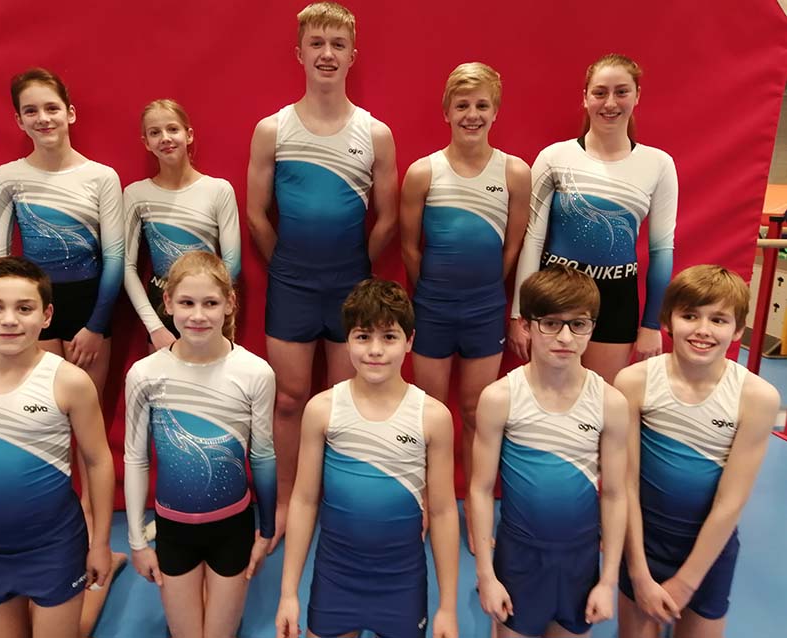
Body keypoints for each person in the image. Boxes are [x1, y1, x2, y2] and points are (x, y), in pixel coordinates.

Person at [247, 1, 399, 546]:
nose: (327, 54)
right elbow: (256, 215)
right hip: (291, 283)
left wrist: (354, 266)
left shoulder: (375, 133)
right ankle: (288, 498)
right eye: (317, 43)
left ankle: (336, 497)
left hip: (350, 284)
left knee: (341, 400)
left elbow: (388, 219)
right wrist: (288, 263)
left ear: (353, 55)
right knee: (289, 399)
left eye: (338, 44)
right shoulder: (273, 129)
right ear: (300, 53)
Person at [0, 67, 126, 633]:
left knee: (89, 431)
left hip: (91, 311)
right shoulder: (9, 177)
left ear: (70, 112)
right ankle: (53, 540)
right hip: (33, 312)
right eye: (30, 111)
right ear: (18, 120)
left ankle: (95, 544)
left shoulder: (101, 177)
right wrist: (11, 319)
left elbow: (115, 259)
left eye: (51, 107)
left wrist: (95, 325)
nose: (43, 118)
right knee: (43, 429)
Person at [0, 256, 115, 638]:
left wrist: (99, 543)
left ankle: (106, 572)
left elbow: (98, 460)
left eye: (24, 308)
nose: (9, 320)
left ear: (46, 315)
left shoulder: (69, 382)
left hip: (55, 546)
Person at [275, 279, 459, 638]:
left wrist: (448, 608)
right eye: (363, 336)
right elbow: (304, 500)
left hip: (402, 582)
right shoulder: (322, 410)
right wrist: (288, 593)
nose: (375, 350)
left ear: (409, 341)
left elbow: (442, 512)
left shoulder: (432, 417)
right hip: (335, 577)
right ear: (347, 341)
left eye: (389, 337)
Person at [400, 62, 530, 553]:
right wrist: (434, 291)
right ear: (446, 112)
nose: (472, 114)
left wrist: (483, 291)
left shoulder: (514, 172)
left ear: (496, 112)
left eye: (481, 105)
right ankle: (428, 502)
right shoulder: (423, 173)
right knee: (430, 412)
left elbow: (512, 248)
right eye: (462, 105)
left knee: (477, 411)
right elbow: (410, 248)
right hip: (433, 306)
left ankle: (476, 512)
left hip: (484, 308)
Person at [614, 265, 779, 638]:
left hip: (710, 551)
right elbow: (625, 484)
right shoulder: (635, 382)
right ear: (667, 321)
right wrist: (638, 573)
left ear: (738, 330)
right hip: (643, 545)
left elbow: (730, 502)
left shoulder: (756, 398)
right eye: (690, 316)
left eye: (718, 320)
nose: (703, 329)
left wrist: (687, 582)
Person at [124, 251, 276, 638]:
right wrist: (137, 542)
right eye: (187, 303)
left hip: (233, 527)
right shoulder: (145, 374)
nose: (198, 315)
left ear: (230, 304)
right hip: (173, 529)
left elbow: (262, 456)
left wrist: (266, 531)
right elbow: (136, 459)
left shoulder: (255, 373)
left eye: (210, 303)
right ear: (168, 303)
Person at [471, 265, 628, 637]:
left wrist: (607, 581)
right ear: (526, 325)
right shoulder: (500, 398)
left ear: (592, 328)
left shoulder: (610, 403)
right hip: (519, 557)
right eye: (551, 323)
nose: (565, 337)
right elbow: (480, 489)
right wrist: (487, 575)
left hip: (580, 560)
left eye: (578, 324)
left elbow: (616, 494)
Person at [510, 53, 678, 383]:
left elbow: (662, 250)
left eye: (621, 92)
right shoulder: (554, 157)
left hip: (616, 298)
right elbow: (533, 239)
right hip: (555, 293)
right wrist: (520, 314)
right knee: (549, 396)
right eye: (600, 92)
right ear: (585, 97)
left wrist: (651, 324)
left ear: (637, 96)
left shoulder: (658, 164)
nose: (610, 103)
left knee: (601, 398)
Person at [123, 99, 241, 352]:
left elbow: (232, 262)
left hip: (208, 305)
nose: (165, 138)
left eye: (173, 129)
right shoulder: (136, 194)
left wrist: (213, 305)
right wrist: (155, 328)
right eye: (155, 132)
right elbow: (128, 267)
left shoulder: (218, 190)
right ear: (146, 142)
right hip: (163, 309)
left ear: (188, 135)